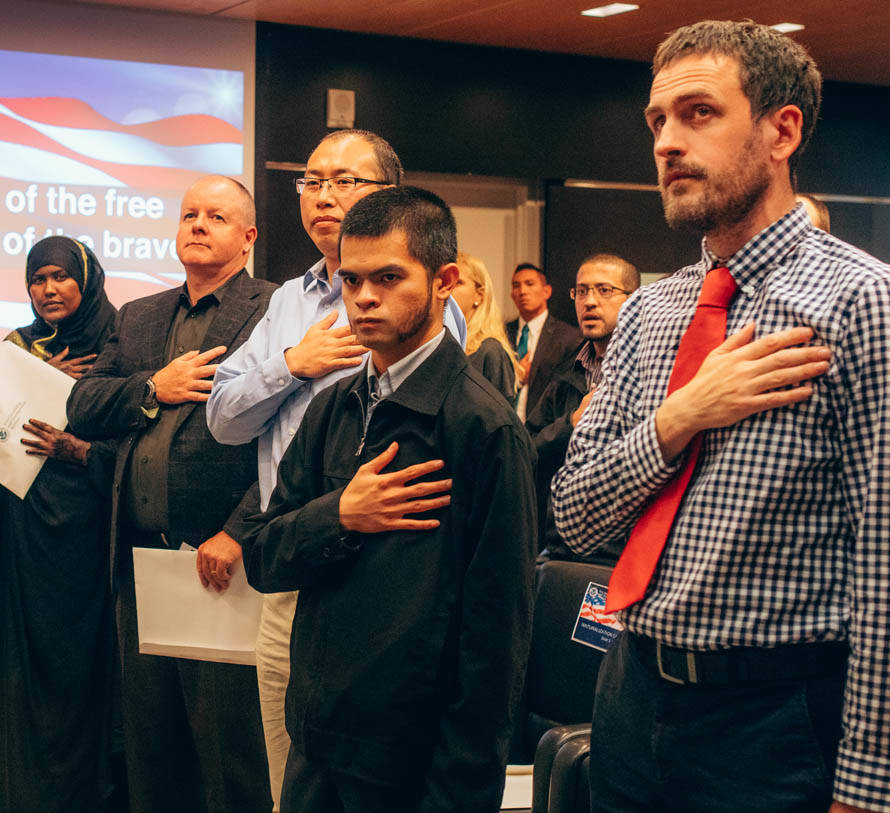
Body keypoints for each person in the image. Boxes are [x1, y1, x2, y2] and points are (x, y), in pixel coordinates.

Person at [551, 20, 890, 813]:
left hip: (776, 720)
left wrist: (867, 789)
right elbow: (575, 514)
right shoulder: (652, 312)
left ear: (781, 130)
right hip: (631, 692)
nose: (665, 141)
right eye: (657, 121)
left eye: (698, 113)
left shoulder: (869, 302)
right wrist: (682, 416)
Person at [238, 186, 537, 813]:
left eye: (388, 278)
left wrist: (461, 791)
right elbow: (264, 557)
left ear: (444, 281)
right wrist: (340, 514)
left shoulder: (483, 428)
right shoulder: (330, 407)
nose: (364, 298)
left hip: (412, 762)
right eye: (351, 280)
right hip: (317, 743)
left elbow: (496, 639)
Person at [205, 129, 467, 809]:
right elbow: (224, 419)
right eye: (313, 180)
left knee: (369, 783)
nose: (325, 194)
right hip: (289, 563)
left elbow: (427, 434)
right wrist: (293, 363)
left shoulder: (430, 307)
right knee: (290, 778)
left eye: (346, 180)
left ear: (390, 194)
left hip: (381, 579)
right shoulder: (286, 302)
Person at [65, 175, 275, 813]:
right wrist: (153, 385)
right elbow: (82, 403)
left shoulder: (272, 309)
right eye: (189, 214)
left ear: (248, 237)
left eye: (216, 215)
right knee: (153, 742)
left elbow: (287, 445)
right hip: (140, 557)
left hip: (220, 556)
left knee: (228, 746)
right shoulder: (140, 316)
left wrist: (239, 530)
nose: (198, 224)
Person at [0, 235, 120, 812]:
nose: (48, 290)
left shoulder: (121, 339)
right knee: (29, 675)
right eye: (37, 279)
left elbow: (131, 426)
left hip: (93, 533)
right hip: (26, 537)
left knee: (93, 673)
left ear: (87, 278)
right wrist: (37, 374)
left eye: (60, 277)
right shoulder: (17, 345)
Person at [526, 253, 637, 554]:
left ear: (635, 300)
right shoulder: (564, 370)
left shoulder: (649, 370)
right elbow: (526, 449)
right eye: (582, 291)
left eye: (604, 290)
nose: (589, 302)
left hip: (624, 548)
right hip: (560, 542)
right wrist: (570, 424)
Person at [505, 262, 580, 419]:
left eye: (530, 284)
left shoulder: (568, 337)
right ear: (512, 294)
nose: (522, 291)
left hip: (543, 429)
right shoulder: (501, 333)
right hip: (503, 429)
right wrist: (516, 378)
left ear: (546, 291)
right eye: (516, 286)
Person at [452, 251, 519, 402]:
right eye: (445, 281)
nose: (449, 288)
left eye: (458, 283)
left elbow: (499, 421)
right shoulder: (443, 346)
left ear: (479, 295)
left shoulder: (490, 351)